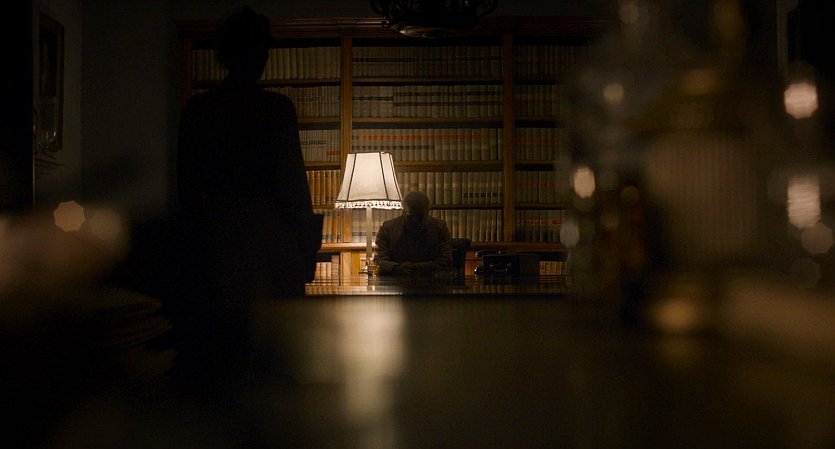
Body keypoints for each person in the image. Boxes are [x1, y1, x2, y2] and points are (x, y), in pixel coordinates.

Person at [171, 6, 321, 397]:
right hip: (270, 240)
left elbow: (187, 189)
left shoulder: (200, 109)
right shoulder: (276, 110)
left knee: (224, 362)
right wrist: (303, 250)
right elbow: (294, 187)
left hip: (217, 241)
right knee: (273, 359)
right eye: (259, 50)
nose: (261, 59)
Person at [375, 190, 453, 276]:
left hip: (424, 280)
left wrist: (401, 268)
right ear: (403, 211)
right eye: (411, 216)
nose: (415, 221)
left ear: (428, 212)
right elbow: (380, 262)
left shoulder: (440, 227)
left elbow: (446, 261)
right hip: (426, 277)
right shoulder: (387, 228)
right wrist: (417, 268)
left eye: (420, 216)